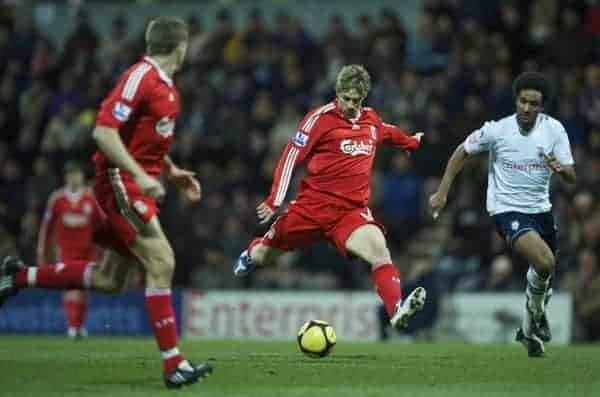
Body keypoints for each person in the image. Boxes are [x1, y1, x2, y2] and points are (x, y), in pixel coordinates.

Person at [0, 17, 212, 388]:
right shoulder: (140, 77)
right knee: (162, 259)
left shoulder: (166, 86)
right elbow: (103, 131)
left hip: (132, 179)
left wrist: (172, 171)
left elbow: (142, 140)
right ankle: (173, 364)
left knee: (110, 279)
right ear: (182, 48)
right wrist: (142, 177)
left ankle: (18, 276)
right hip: (119, 180)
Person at [233, 64, 427, 330]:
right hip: (310, 208)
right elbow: (291, 156)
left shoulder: (370, 120)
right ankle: (250, 253)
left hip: (349, 213)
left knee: (380, 251)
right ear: (337, 94)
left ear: (364, 98)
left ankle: (396, 311)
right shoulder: (319, 119)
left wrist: (410, 142)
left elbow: (388, 132)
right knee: (264, 256)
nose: (349, 105)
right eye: (345, 99)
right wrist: (274, 200)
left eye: (355, 100)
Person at [429, 71, 576, 357]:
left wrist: (560, 168)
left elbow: (572, 175)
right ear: (516, 100)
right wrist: (442, 191)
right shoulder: (497, 130)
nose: (526, 108)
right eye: (523, 101)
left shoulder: (554, 130)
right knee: (545, 262)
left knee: (544, 270)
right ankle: (536, 311)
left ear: (542, 106)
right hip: (506, 210)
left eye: (534, 104)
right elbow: (462, 151)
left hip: (541, 211)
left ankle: (527, 330)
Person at [37, 161, 101, 339]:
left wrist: (104, 249)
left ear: (82, 176)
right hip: (66, 252)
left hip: (88, 252)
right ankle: (72, 327)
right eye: (71, 174)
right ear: (66, 177)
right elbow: (46, 228)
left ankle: (80, 326)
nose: (74, 177)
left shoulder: (91, 198)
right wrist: (42, 251)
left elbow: (101, 226)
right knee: (71, 288)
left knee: (85, 290)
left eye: (77, 174)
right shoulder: (57, 199)